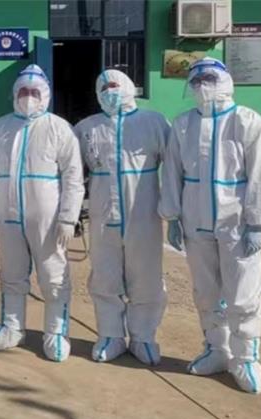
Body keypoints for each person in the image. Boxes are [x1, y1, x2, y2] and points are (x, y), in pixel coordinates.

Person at [160, 58, 261, 394]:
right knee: (206, 291)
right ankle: (217, 348)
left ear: (225, 82)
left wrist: (257, 221)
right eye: (196, 81)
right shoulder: (184, 124)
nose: (202, 86)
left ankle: (246, 357)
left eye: (208, 79)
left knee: (243, 293)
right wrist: (172, 215)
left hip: (236, 223)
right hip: (196, 221)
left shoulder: (247, 121)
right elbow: (172, 171)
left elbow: (260, 175)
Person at [0, 65, 84, 362]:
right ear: (14, 94)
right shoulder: (0, 127)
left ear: (45, 95)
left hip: (47, 219)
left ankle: (56, 332)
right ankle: (12, 327)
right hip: (8, 215)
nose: (28, 97)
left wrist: (68, 217)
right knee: (11, 273)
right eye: (23, 91)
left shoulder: (59, 128)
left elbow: (73, 176)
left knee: (53, 276)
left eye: (34, 92)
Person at [74, 70, 170, 365]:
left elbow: (176, 167)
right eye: (103, 88)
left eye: (114, 86)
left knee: (146, 275)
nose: (109, 92)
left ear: (128, 87)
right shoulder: (87, 127)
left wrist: (176, 209)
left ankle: (143, 336)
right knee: (105, 274)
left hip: (144, 212)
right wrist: (71, 210)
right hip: (103, 213)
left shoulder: (154, 122)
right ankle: (110, 335)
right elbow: (72, 172)